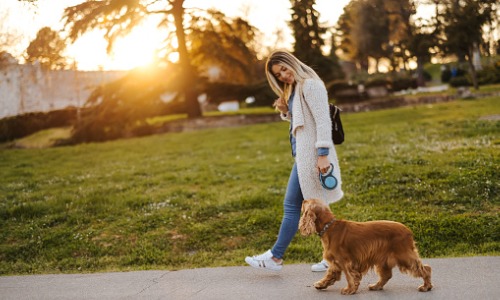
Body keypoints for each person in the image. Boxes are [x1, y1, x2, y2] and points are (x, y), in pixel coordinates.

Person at [245, 50, 344, 272]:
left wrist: (322, 155)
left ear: (292, 63)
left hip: (313, 157)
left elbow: (322, 122)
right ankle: (330, 258)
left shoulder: (310, 85)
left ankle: (276, 257)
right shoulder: (298, 88)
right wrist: (286, 111)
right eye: (278, 75)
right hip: (305, 156)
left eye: (284, 69)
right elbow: (304, 120)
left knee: (295, 206)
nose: (283, 76)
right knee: (315, 208)